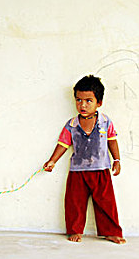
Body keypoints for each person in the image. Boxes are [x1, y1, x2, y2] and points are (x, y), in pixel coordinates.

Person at [43, 75, 126, 244]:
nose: (83, 105)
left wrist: (117, 160)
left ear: (99, 103)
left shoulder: (105, 122)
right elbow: (63, 144)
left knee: (106, 204)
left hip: (101, 170)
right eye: (79, 100)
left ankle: (111, 231)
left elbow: (112, 141)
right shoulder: (71, 124)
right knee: (75, 203)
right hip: (77, 172)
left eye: (88, 100)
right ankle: (75, 230)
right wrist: (52, 161)